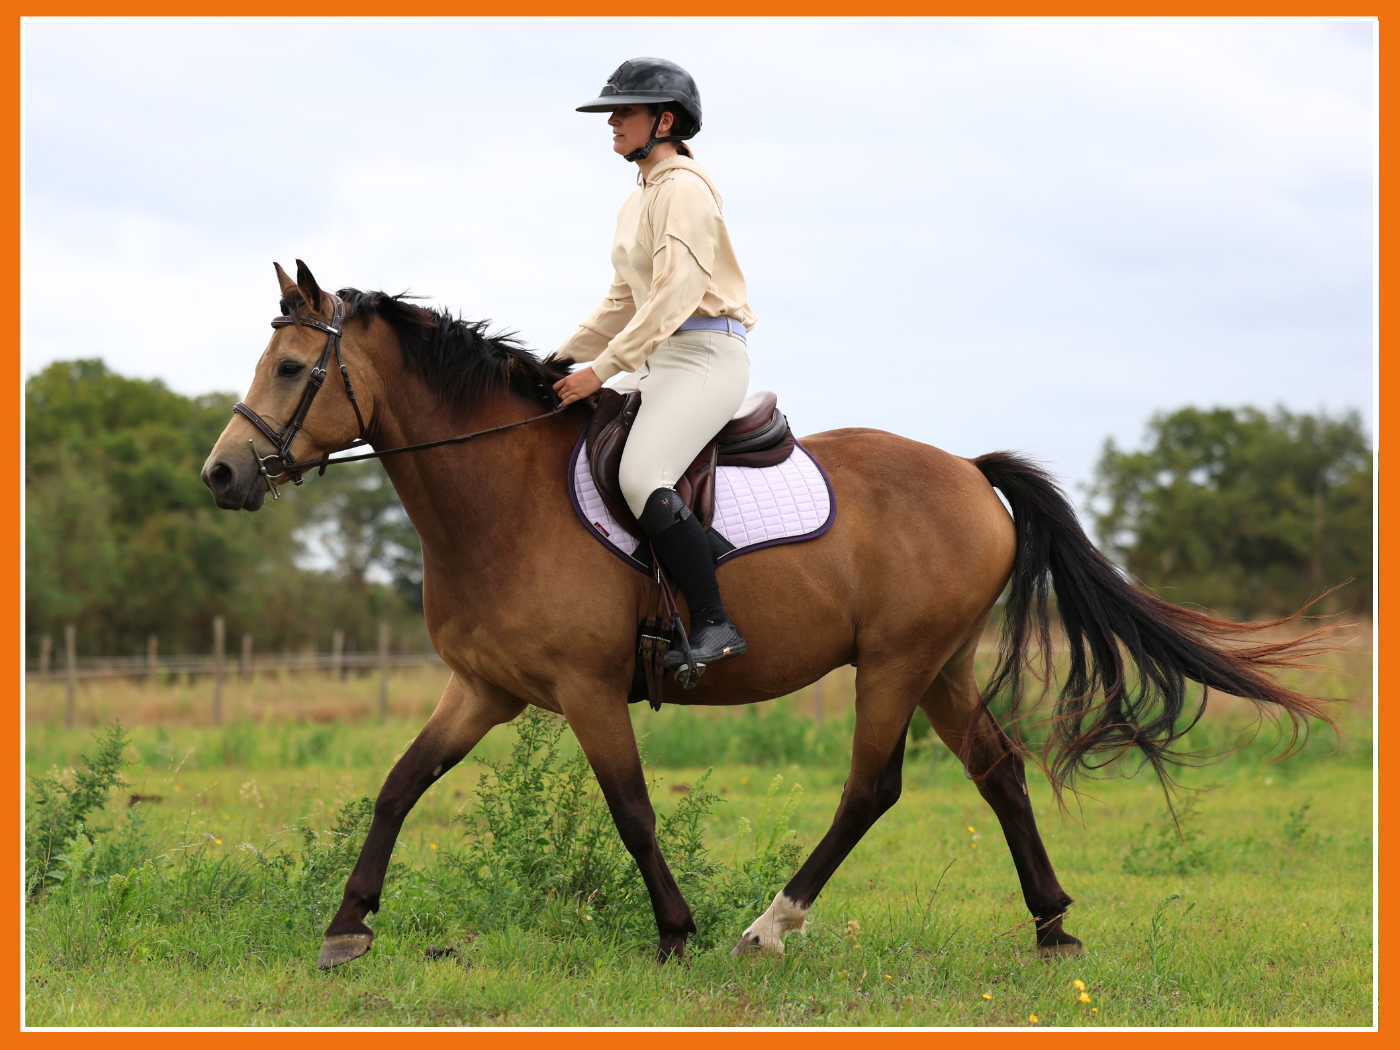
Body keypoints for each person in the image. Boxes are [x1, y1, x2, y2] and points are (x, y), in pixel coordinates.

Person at [553, 57, 756, 675]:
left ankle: (717, 623)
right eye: (612, 112)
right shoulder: (638, 198)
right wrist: (557, 361)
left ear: (663, 121)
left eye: (625, 112)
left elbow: (674, 297)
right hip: (660, 356)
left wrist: (604, 369)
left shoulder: (686, 190)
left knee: (642, 474)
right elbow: (621, 303)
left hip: (705, 354)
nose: (612, 122)